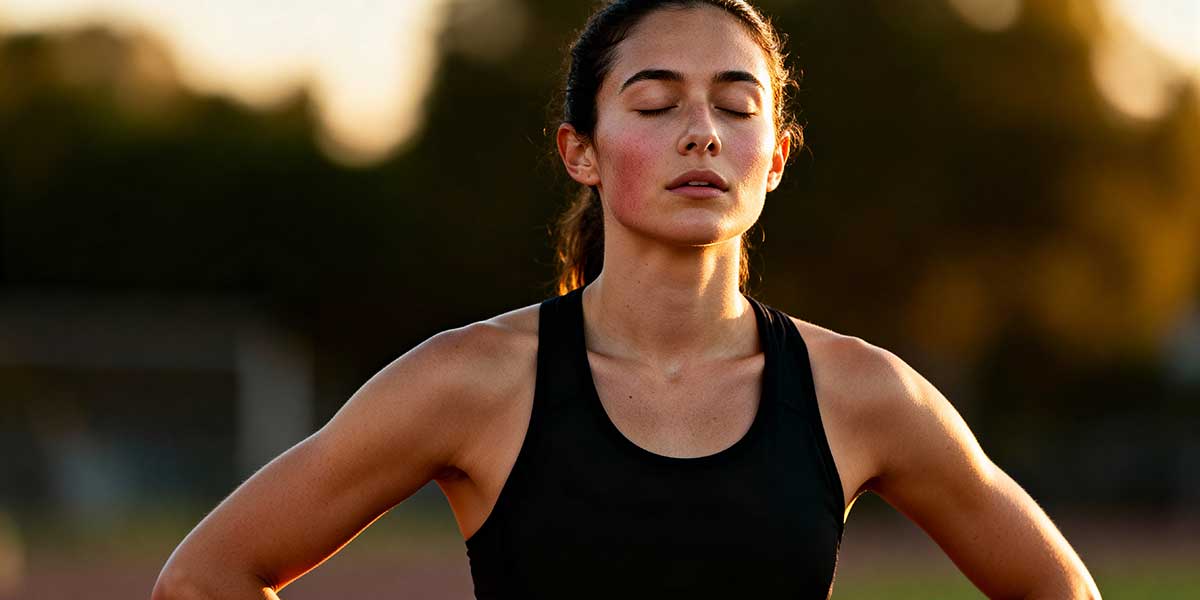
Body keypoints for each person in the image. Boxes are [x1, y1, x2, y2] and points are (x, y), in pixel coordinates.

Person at [152, 1, 1102, 598]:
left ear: (773, 158)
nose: (701, 133)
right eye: (656, 104)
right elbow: (206, 577)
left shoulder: (864, 393)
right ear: (583, 151)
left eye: (736, 106)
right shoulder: (474, 379)